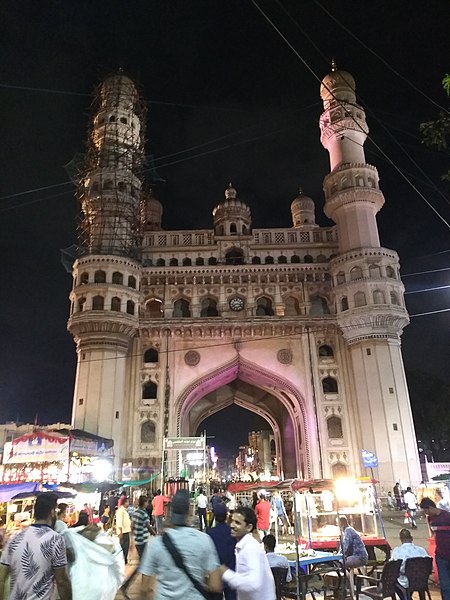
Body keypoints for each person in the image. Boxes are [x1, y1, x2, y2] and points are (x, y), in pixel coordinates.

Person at [139, 489, 223, 599]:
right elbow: (215, 585)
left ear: (170, 511)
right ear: (188, 512)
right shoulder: (204, 540)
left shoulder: (156, 543)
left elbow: (144, 588)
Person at [0, 492, 72, 600]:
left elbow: (1, 577)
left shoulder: (14, 538)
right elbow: (62, 581)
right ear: (52, 513)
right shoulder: (55, 540)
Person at [220, 506, 276, 600]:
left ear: (249, 527)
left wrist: (225, 573)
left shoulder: (250, 548)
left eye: (237, 523)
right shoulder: (242, 546)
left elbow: (253, 583)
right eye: (232, 521)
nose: (232, 525)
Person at [121, 496, 155, 599]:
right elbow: (149, 527)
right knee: (144, 565)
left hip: (138, 541)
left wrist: (133, 540)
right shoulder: (144, 514)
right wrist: (156, 535)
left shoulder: (135, 513)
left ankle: (145, 587)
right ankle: (128, 586)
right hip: (143, 542)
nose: (148, 504)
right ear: (144, 503)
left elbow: (132, 527)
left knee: (144, 564)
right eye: (147, 502)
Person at [420, 497, 450, 600]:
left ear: (430, 508)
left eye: (425, 511)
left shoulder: (447, 516)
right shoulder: (430, 519)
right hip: (440, 556)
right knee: (444, 584)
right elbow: (432, 534)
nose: (425, 514)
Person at [207, 503, 237, 600]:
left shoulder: (210, 533)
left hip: (216, 572)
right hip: (231, 570)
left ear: (215, 516)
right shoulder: (232, 531)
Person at [391, 528, 428, 596]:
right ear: (412, 538)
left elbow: (393, 567)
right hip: (421, 580)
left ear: (401, 539)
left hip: (405, 581)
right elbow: (429, 566)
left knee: (393, 583)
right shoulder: (421, 550)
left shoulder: (397, 551)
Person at [116, 496, 132, 564]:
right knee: (123, 546)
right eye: (127, 502)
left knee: (126, 547)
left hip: (126, 530)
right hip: (123, 531)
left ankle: (124, 559)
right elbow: (119, 522)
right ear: (124, 503)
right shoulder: (120, 511)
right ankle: (122, 560)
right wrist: (120, 532)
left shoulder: (124, 510)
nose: (128, 503)